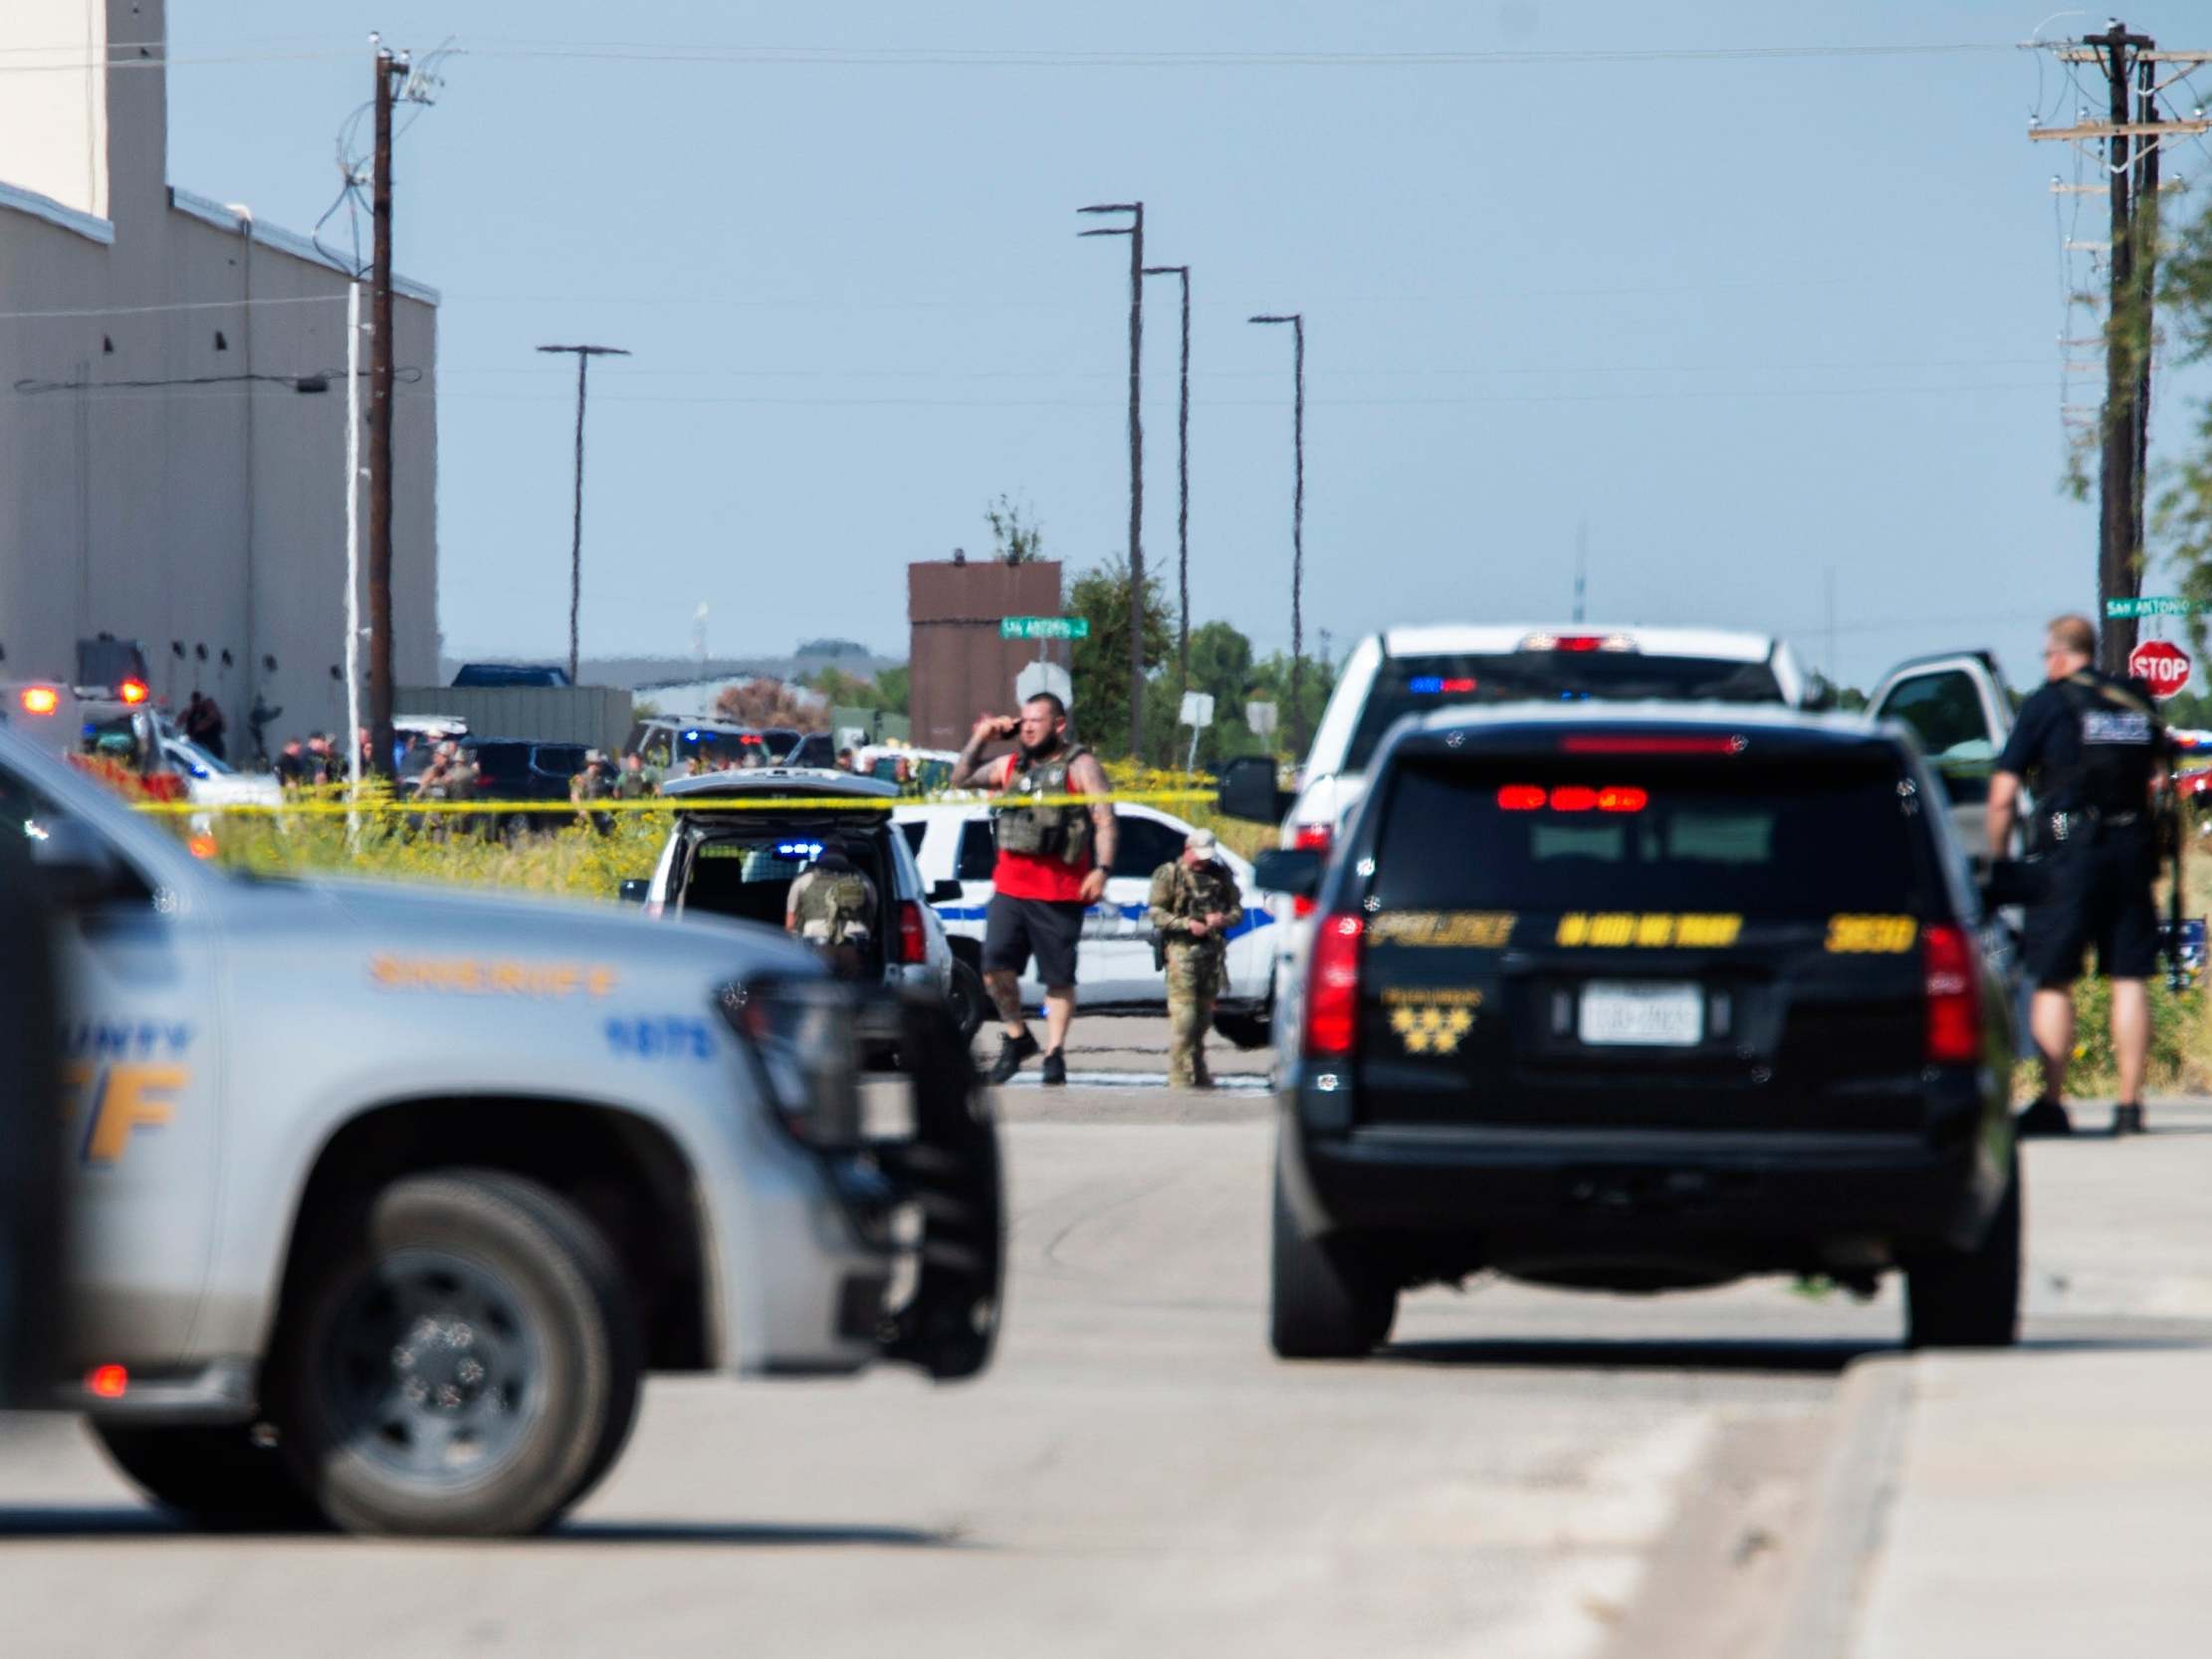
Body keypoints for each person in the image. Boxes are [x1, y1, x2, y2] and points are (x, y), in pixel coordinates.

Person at [1988, 613, 2174, 1138]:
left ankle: (2052, 1102)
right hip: (2131, 847)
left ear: (2058, 655)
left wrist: (2001, 864)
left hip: (2069, 856)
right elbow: (2159, 779)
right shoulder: (2135, 702)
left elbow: (2003, 795)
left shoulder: (2048, 704)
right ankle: (2130, 1104)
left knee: (2054, 978)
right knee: (2129, 978)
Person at [950, 693, 1116, 1085]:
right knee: (993, 969)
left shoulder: (1081, 766)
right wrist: (982, 737)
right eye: (1023, 720)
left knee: (1058, 978)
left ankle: (1054, 1053)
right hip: (1010, 888)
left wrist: (1102, 869)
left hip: (1060, 891)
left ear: (1058, 724)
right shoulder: (1011, 765)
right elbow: (959, 778)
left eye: (1035, 721)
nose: (1026, 727)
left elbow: (1105, 820)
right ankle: (1017, 1037)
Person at [1147, 828, 1244, 1090]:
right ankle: (1179, 1073)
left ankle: (1198, 1069)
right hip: (1181, 952)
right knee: (1185, 1016)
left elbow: (1237, 910)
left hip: (1211, 953)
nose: (1203, 862)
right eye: (1199, 856)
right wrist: (1186, 924)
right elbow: (1156, 912)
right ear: (1187, 850)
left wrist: (1222, 919)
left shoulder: (1220, 876)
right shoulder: (1170, 874)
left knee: (1202, 1018)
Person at [785, 843, 878, 977]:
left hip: (818, 946)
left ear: (822, 853)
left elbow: (791, 924)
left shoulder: (803, 879)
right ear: (844, 853)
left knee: (820, 990)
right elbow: (871, 917)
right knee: (854, 992)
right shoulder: (862, 878)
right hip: (851, 945)